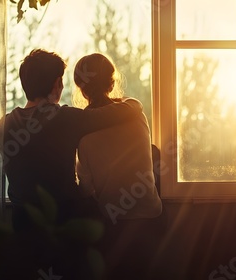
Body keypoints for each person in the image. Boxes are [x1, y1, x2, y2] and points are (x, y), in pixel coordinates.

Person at [0, 49, 142, 231]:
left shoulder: (4, 124)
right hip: (65, 221)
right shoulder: (64, 118)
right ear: (57, 83)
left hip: (22, 223)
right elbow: (117, 113)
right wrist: (134, 103)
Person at [73, 53, 163, 278]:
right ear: (112, 83)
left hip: (115, 225)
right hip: (151, 218)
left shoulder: (82, 131)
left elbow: (86, 188)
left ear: (81, 88)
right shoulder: (135, 111)